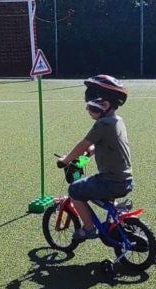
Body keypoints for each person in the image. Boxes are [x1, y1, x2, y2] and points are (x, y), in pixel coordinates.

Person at [57, 75, 133, 241]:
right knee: (96, 191)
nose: (87, 110)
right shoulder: (116, 121)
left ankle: (89, 229)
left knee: (75, 190)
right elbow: (97, 146)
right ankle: (116, 214)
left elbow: (84, 144)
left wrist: (66, 160)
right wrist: (85, 157)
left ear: (104, 105)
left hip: (110, 181)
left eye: (90, 107)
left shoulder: (102, 124)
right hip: (125, 180)